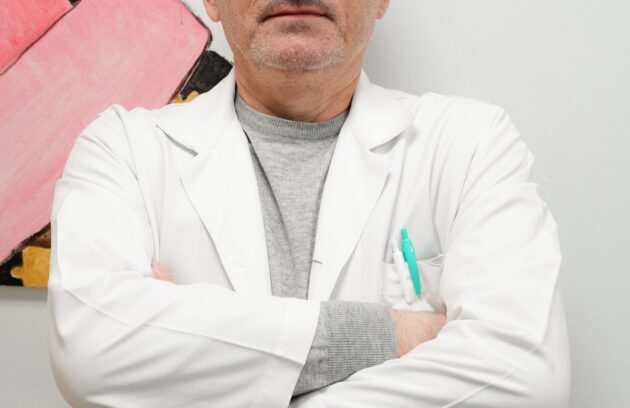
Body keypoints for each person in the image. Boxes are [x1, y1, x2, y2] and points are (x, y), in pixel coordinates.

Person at [47, 0, 571, 406]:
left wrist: (204, 360)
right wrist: (393, 333)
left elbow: (525, 376)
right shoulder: (123, 149)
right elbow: (94, 352)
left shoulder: (471, 143)